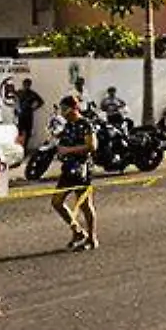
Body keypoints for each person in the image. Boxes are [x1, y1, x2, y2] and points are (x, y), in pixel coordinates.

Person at [50, 95, 99, 252]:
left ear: (74, 108)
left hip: (81, 169)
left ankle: (92, 238)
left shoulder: (85, 124)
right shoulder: (68, 125)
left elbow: (92, 146)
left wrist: (68, 150)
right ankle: (77, 231)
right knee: (57, 201)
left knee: (85, 204)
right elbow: (63, 143)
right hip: (68, 168)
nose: (63, 112)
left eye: (65, 109)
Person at [14, 78, 45, 149]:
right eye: (25, 84)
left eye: (28, 84)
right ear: (23, 84)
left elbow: (41, 102)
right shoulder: (19, 92)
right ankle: (19, 148)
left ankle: (25, 147)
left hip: (28, 114)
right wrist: (16, 110)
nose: (26, 86)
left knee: (28, 131)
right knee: (19, 131)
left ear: (30, 85)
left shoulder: (32, 93)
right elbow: (16, 102)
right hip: (20, 114)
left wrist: (34, 108)